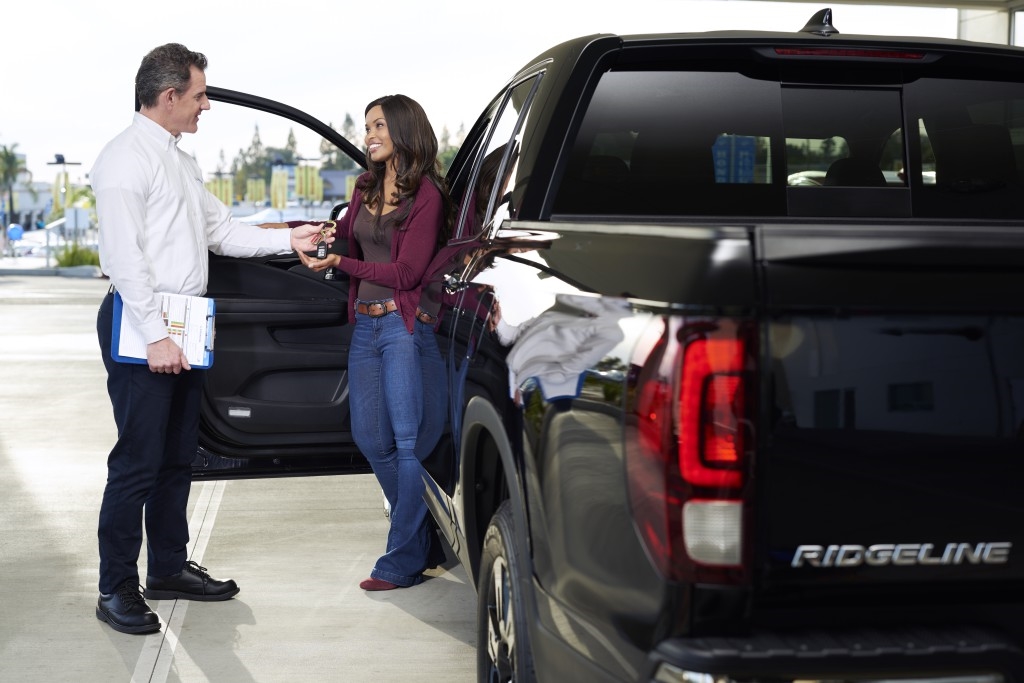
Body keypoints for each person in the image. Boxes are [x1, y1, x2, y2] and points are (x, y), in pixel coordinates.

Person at [91, 43, 331, 635]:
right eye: (199, 95)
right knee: (137, 461)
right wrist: (155, 336)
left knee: (178, 457)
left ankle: (168, 568)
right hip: (144, 323)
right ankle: (115, 586)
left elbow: (222, 232)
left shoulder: (179, 161)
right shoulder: (125, 161)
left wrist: (291, 240)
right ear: (169, 95)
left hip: (184, 320)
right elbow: (124, 260)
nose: (205, 106)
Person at [296, 94, 452, 590]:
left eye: (379, 125)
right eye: (367, 126)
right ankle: (422, 532)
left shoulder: (425, 195)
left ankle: (403, 560)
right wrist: (325, 239)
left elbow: (406, 274)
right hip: (365, 325)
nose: (370, 134)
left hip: (403, 328)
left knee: (408, 444)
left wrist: (341, 264)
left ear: (404, 128)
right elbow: (346, 238)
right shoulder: (365, 185)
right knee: (369, 437)